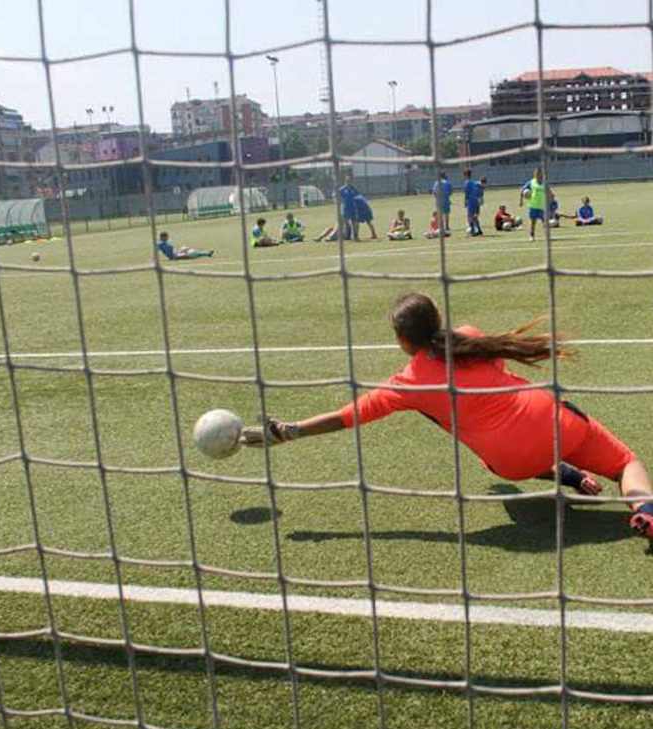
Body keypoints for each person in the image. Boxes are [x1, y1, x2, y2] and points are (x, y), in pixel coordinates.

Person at [240, 292, 653, 541]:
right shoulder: (468, 337)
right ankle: (646, 510)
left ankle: (569, 475)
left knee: (497, 461)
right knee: (624, 463)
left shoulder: (405, 385)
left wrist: (287, 431)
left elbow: (344, 417)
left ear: (402, 340)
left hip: (511, 460)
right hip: (556, 424)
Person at [519, 167, 550, 242]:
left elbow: (549, 192)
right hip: (533, 205)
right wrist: (521, 201)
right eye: (537, 173)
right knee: (533, 222)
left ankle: (547, 236)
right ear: (534, 174)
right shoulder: (531, 182)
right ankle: (532, 236)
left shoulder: (544, 183)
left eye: (540, 173)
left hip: (542, 206)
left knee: (545, 222)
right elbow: (522, 190)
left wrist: (550, 200)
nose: (538, 174)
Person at [463, 168, 483, 236]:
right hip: (476, 200)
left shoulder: (467, 182)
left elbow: (466, 193)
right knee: (475, 216)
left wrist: (465, 202)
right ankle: (479, 230)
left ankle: (473, 231)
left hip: (471, 201)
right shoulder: (474, 182)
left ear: (466, 175)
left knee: (470, 216)